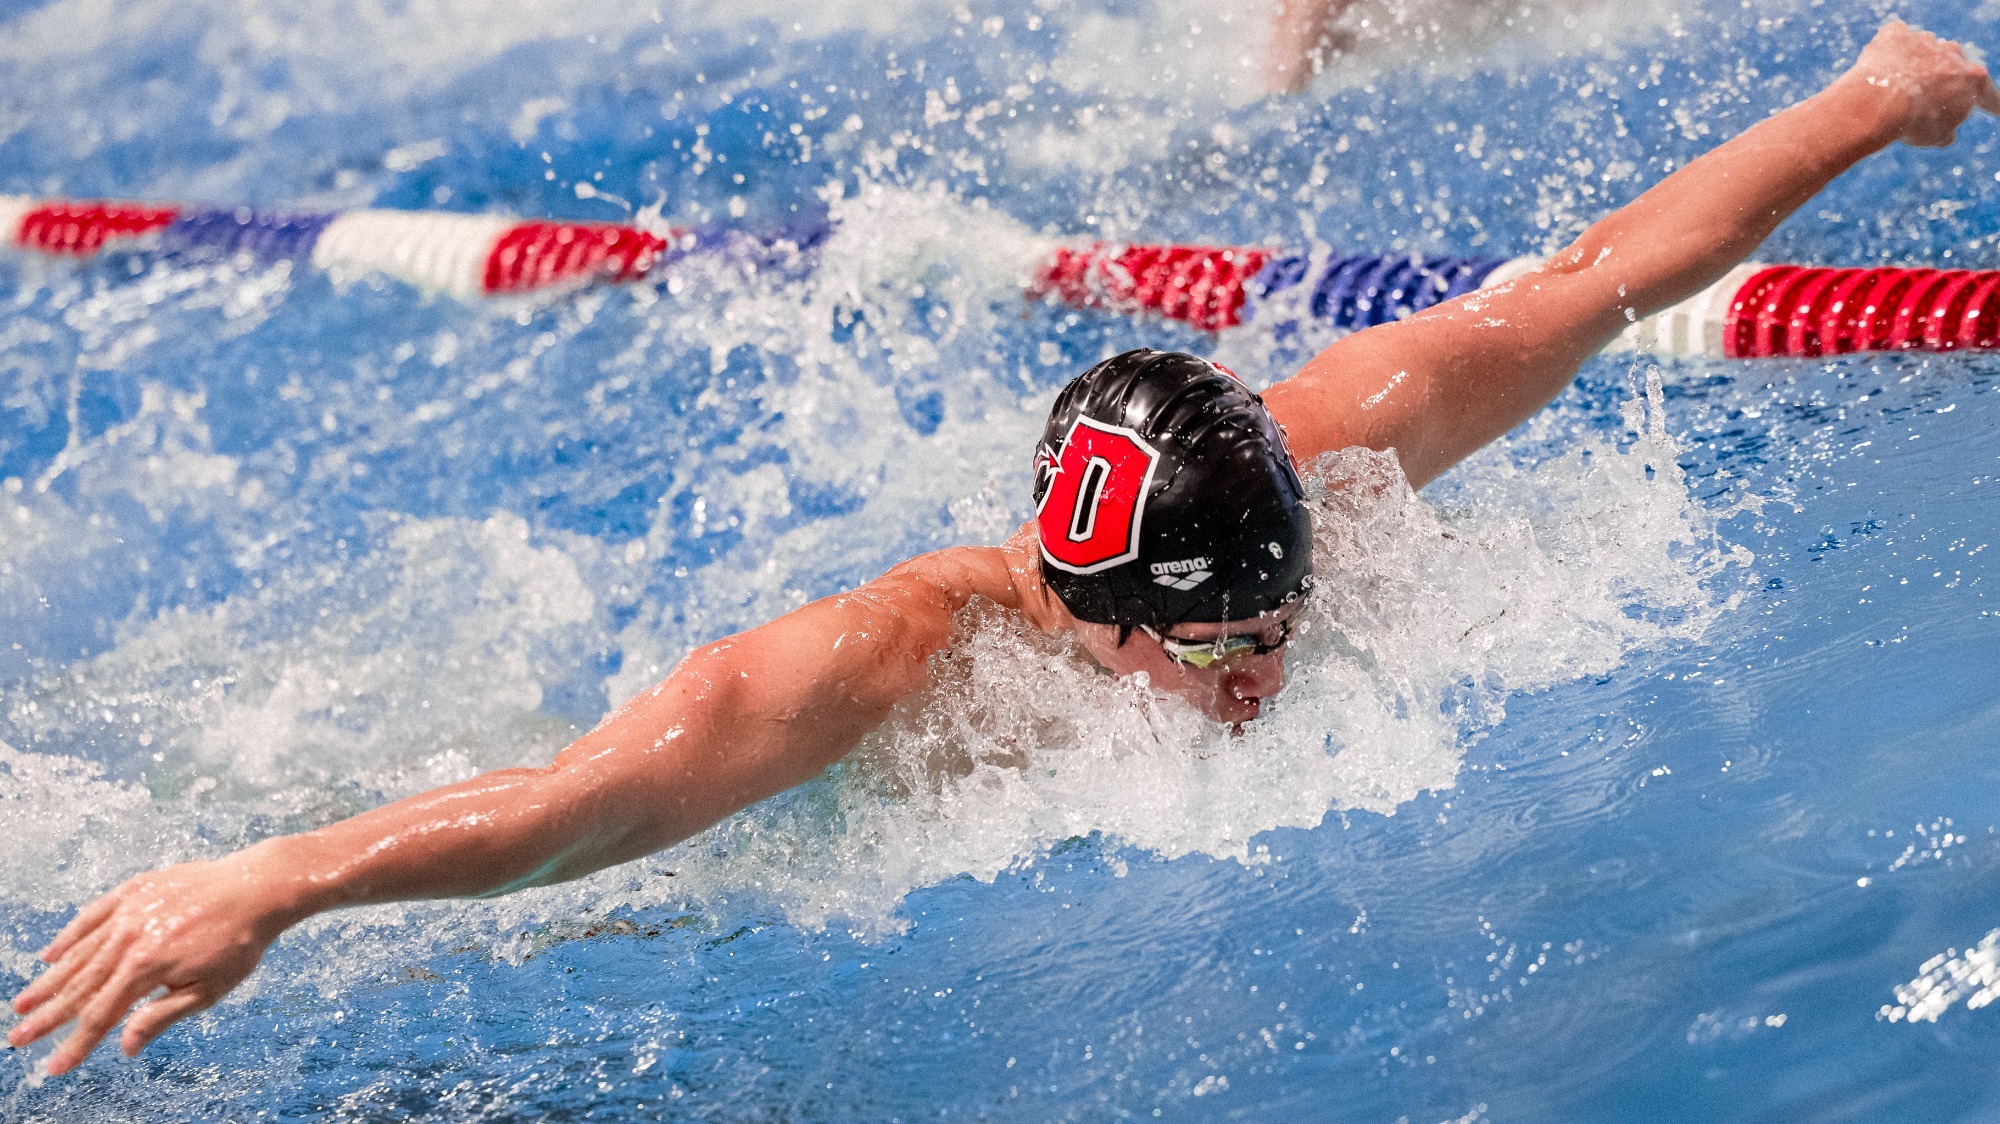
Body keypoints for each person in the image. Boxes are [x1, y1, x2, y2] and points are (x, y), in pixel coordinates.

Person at [9, 21, 1997, 1076]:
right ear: (1091, 617)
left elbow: (1594, 275)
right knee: (579, 907)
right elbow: (572, 807)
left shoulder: (1334, 454)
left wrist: (1868, 98)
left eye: (1277, 625)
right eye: (1218, 653)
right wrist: (273, 878)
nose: (1264, 678)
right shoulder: (880, 668)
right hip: (699, 869)